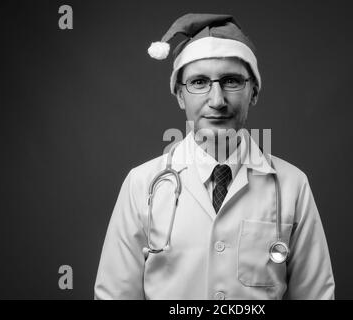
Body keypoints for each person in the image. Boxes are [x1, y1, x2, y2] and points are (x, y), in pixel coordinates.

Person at [94, 13, 335, 300]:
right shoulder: (141, 183)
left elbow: (316, 296)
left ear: (253, 91)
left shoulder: (293, 185)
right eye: (199, 82)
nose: (217, 100)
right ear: (180, 95)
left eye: (231, 81)